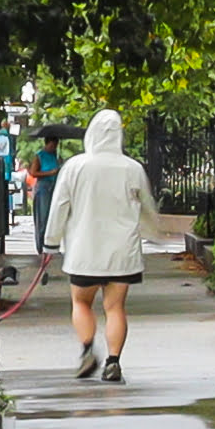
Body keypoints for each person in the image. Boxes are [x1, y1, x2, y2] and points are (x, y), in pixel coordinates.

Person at [44, 109, 157, 380]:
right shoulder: (132, 168)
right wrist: (153, 232)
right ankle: (113, 361)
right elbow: (146, 206)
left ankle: (87, 350)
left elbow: (59, 206)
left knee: (81, 302)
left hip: (84, 250)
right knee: (115, 307)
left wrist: (51, 243)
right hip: (122, 251)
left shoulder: (74, 166)